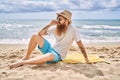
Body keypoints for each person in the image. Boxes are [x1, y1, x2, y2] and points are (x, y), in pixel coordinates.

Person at [10, 10, 90, 68]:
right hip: (50, 48)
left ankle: (23, 62)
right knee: (35, 36)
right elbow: (40, 34)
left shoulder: (73, 30)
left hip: (58, 55)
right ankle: (26, 57)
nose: (57, 20)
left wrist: (86, 59)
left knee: (50, 55)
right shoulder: (55, 27)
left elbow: (80, 45)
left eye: (60, 19)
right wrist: (50, 24)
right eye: (57, 18)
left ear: (66, 21)